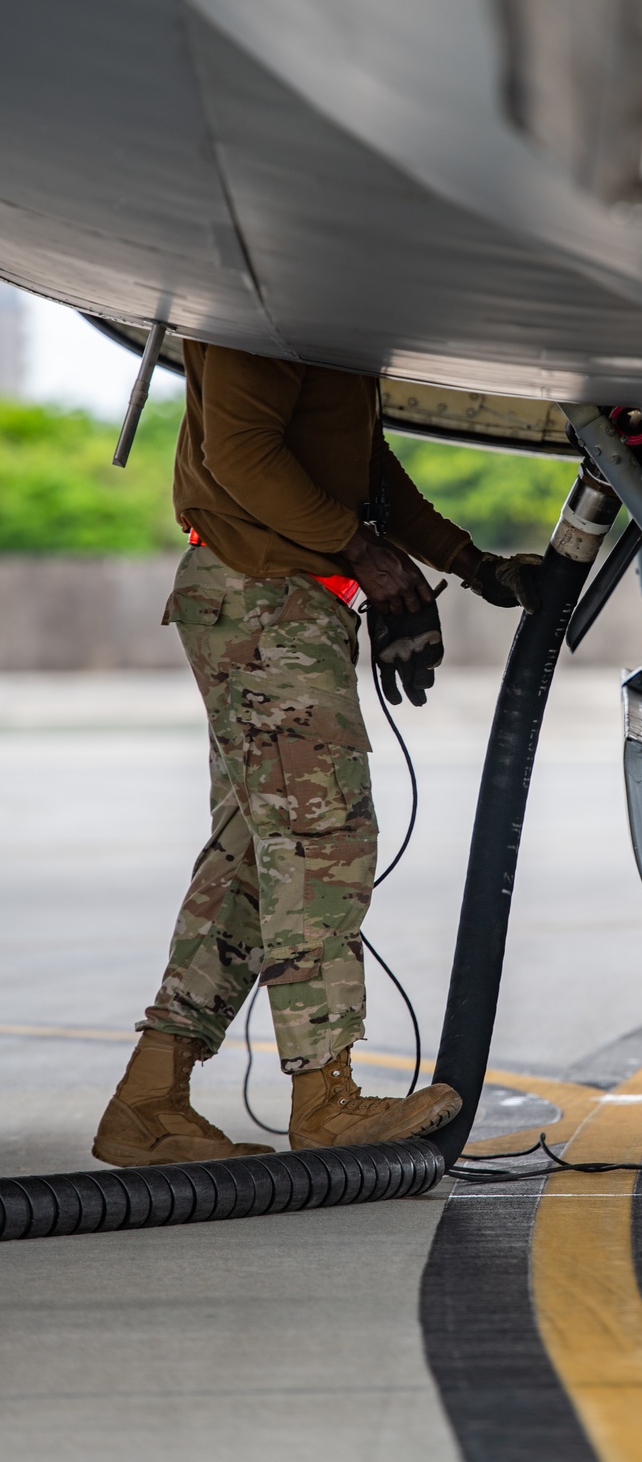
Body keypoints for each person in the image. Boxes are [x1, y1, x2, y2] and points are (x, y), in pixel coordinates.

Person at [93, 344, 541, 1167]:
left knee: (251, 862)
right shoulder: (265, 300)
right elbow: (241, 456)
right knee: (319, 842)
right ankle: (324, 1098)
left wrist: (471, 565)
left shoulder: (324, 318)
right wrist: (367, 558)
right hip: (263, 597)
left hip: (278, 601)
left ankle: (149, 1099)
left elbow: (365, 473)